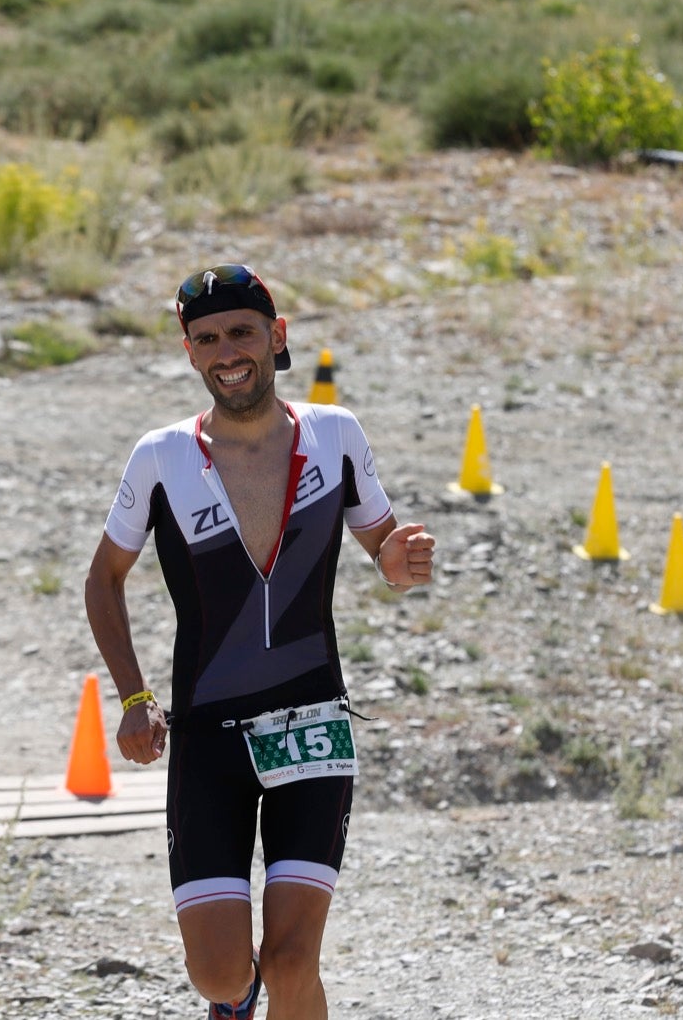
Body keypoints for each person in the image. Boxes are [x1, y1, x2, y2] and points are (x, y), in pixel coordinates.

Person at [84, 264, 437, 1020]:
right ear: (189, 353)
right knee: (220, 974)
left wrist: (397, 562)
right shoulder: (161, 457)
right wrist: (136, 697)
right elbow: (103, 581)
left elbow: (382, 542)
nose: (226, 352)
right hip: (209, 735)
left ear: (276, 337)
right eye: (206, 338)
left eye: (241, 331)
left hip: (312, 724)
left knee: (289, 960)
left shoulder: (336, 435)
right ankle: (233, 1003)